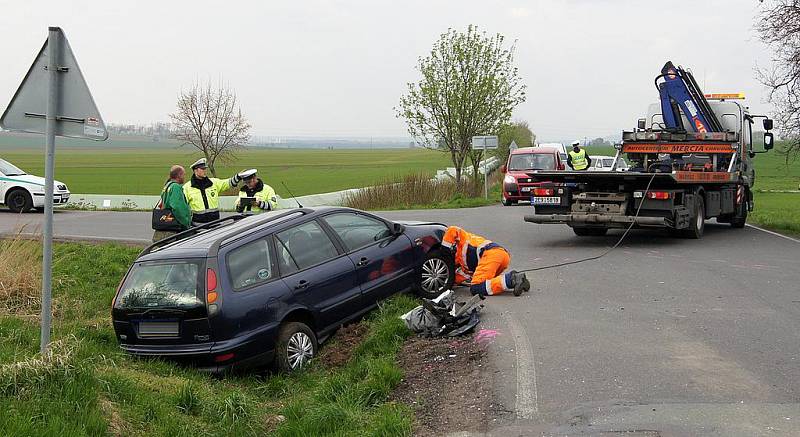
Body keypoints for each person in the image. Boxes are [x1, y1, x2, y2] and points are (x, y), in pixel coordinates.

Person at [442, 225, 530, 297]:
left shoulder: (461, 240)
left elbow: (452, 229)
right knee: (484, 283)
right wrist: (445, 283)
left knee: (476, 288)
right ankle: (515, 280)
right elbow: (460, 277)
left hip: (491, 254)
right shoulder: (463, 266)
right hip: (502, 256)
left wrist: (444, 252)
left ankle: (512, 279)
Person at [183, 158, 246, 225]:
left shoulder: (213, 183)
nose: (205, 171)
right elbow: (182, 207)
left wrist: (238, 177)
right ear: (195, 170)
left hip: (215, 224)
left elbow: (227, 183)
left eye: (205, 169)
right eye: (202, 169)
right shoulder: (187, 187)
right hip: (197, 226)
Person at [152, 165, 192, 242]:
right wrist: (186, 222)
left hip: (166, 223)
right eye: (184, 174)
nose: (184, 177)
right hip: (174, 228)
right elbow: (177, 207)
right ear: (179, 175)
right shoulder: (176, 187)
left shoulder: (167, 185)